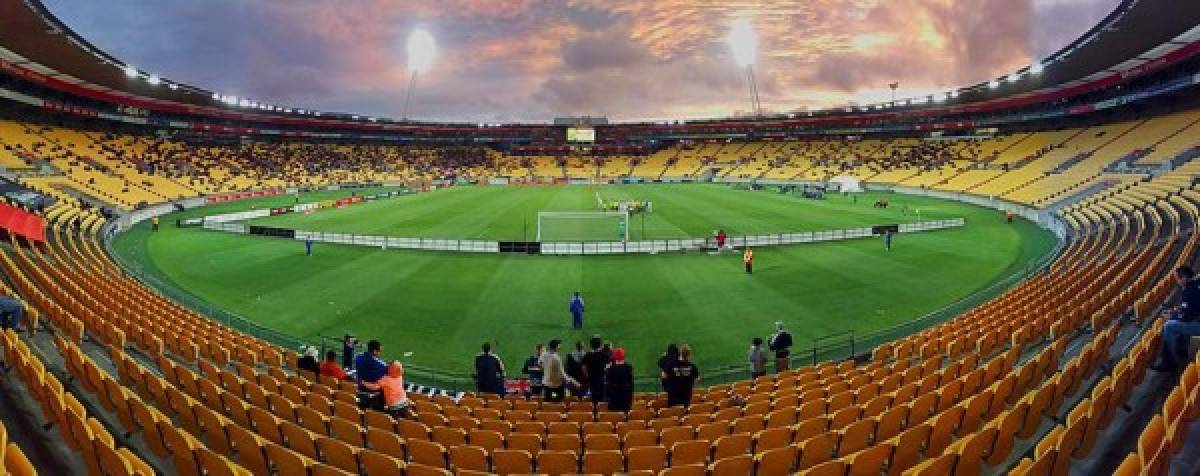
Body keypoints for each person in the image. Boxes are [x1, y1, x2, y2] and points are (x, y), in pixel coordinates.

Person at [1152, 266, 1200, 372]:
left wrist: (1171, 316)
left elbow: (1186, 317)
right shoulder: (1195, 284)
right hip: (1196, 318)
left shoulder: (1190, 290)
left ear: (1183, 278)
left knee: (1169, 326)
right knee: (1177, 322)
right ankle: (1182, 351)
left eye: (1177, 278)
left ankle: (1169, 363)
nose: (1176, 281)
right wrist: (1175, 312)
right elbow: (1188, 309)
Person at [582, 336, 611, 404]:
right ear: (600, 345)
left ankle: (594, 411)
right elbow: (609, 367)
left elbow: (583, 368)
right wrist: (605, 373)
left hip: (592, 379)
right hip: (601, 380)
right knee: (601, 398)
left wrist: (587, 375)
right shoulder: (604, 355)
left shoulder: (587, 355)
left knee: (594, 397)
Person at [605, 348, 634, 412]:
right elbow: (631, 384)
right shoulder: (628, 367)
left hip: (613, 399)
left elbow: (608, 385)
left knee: (614, 417)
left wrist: (607, 397)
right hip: (625, 399)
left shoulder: (610, 369)